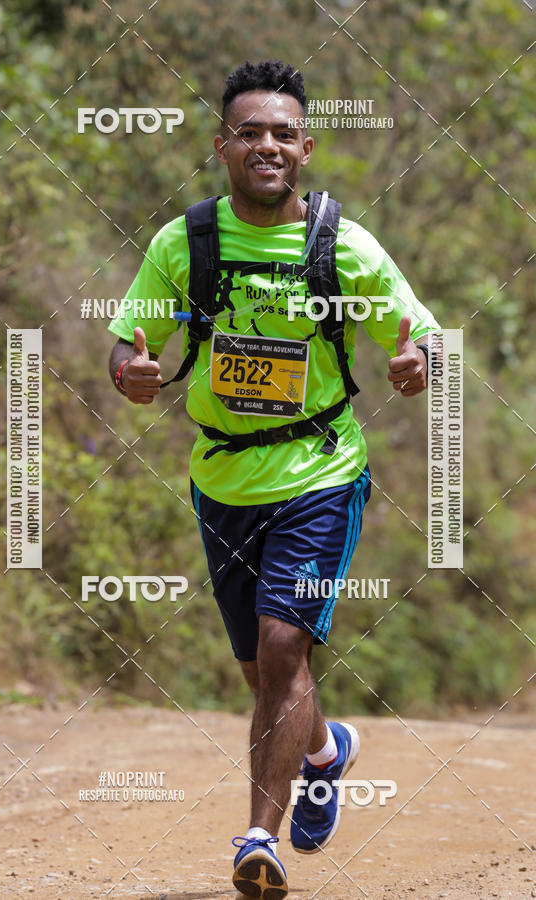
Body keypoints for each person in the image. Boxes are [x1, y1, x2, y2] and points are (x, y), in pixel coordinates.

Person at [108, 59, 439, 900]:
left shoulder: (342, 244)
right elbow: (128, 344)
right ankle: (327, 754)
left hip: (322, 472)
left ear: (307, 147)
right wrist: (128, 373)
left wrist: (414, 359)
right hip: (221, 478)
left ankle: (260, 837)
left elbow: (421, 335)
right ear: (222, 146)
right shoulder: (185, 245)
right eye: (250, 132)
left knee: (286, 647)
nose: (267, 145)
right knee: (263, 671)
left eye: (283, 133)